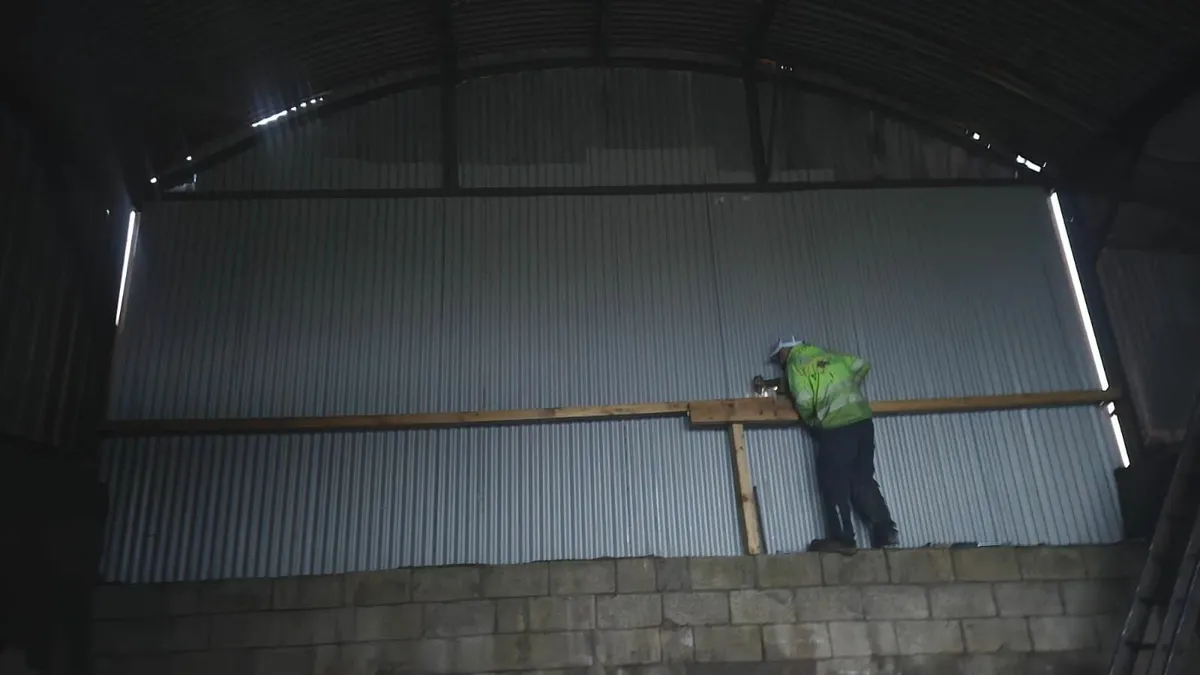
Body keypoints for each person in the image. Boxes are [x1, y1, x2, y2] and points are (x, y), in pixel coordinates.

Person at [769, 337, 899, 554]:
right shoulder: (828, 355)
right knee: (862, 477)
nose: (779, 361)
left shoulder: (795, 364)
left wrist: (812, 420)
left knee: (833, 480)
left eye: (778, 357)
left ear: (784, 351)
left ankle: (842, 538)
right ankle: (885, 532)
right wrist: (849, 388)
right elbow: (861, 364)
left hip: (836, 425)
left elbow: (803, 399)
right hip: (862, 421)